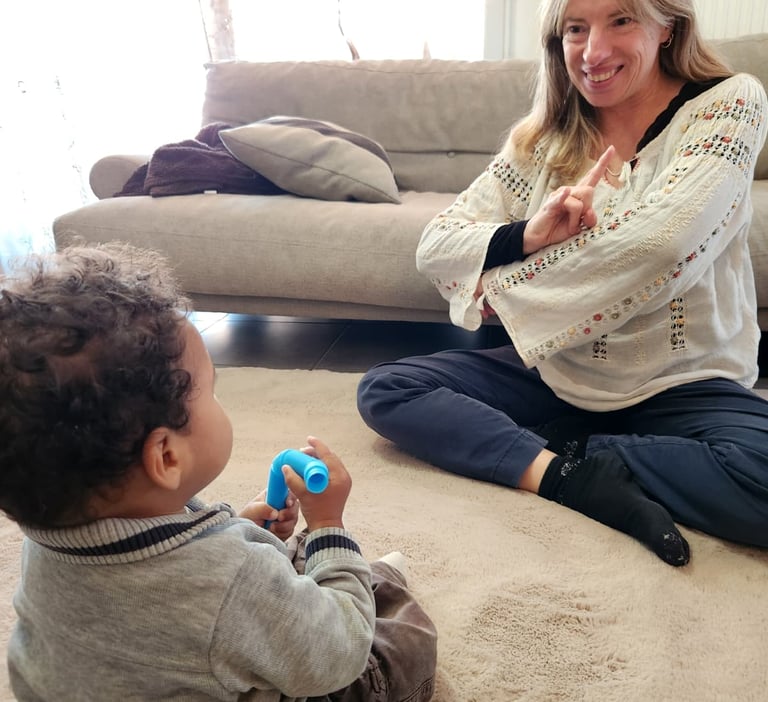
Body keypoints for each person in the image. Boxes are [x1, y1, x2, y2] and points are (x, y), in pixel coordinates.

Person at [358, 0, 768, 567]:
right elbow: (436, 243)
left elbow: (659, 247)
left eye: (620, 20)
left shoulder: (729, 102)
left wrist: (497, 286)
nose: (593, 52)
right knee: (387, 391)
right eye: (576, 29)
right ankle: (566, 478)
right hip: (560, 374)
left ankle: (569, 451)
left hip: (684, 381)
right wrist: (525, 235)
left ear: (667, 25)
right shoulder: (544, 139)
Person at [0, 242, 436, 702]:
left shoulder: (47, 534)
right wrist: (327, 523)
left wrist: (240, 529)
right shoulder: (234, 577)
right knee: (396, 633)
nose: (218, 401)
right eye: (211, 390)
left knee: (287, 564)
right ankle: (367, 579)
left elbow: (172, 584)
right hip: (301, 649)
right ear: (167, 458)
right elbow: (336, 657)